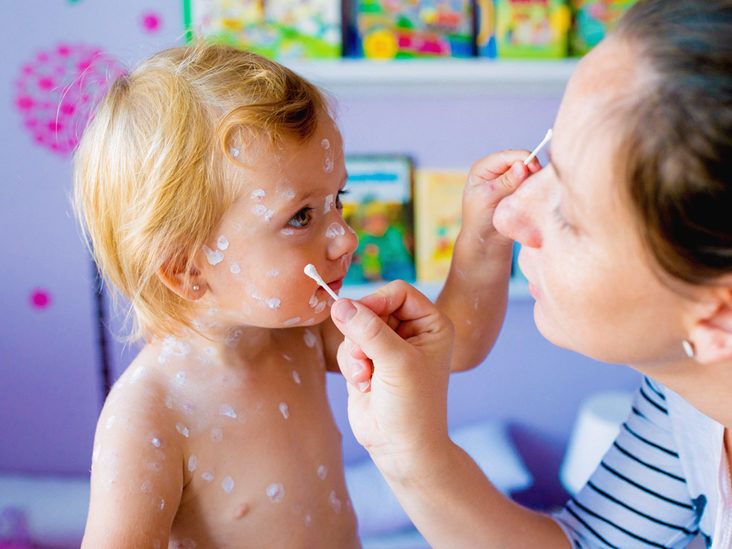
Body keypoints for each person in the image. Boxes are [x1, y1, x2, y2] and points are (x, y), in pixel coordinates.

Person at [73, 43, 536, 547]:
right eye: (300, 216)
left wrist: (484, 238)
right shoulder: (148, 418)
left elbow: (454, 346)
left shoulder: (300, 335)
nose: (347, 238)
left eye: (338, 200)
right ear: (187, 270)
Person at [329, 0, 732, 546]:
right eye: (551, 152)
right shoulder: (690, 396)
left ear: (720, 317)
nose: (507, 214)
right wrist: (409, 454)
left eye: (569, 212)